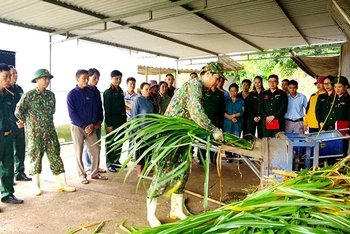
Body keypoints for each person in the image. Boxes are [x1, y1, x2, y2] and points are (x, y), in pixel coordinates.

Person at [146, 62, 225, 227]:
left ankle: (176, 209)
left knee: (182, 172)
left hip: (182, 137)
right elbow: (196, 112)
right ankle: (151, 214)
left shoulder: (201, 89)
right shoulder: (195, 85)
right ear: (209, 73)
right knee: (163, 173)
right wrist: (213, 129)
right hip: (170, 137)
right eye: (217, 79)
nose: (217, 83)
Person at [16, 68, 75, 196]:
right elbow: (18, 111)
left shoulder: (51, 95)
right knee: (35, 157)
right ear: (37, 80)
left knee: (55, 156)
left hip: (50, 131)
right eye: (44, 78)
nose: (47, 81)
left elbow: (51, 112)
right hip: (35, 133)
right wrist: (29, 122)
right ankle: (36, 186)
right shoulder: (29, 95)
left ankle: (62, 184)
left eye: (49, 78)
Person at [67, 69, 107, 184]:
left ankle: (94, 173)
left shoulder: (90, 93)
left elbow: (95, 109)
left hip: (91, 127)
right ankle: (82, 174)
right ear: (77, 79)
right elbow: (72, 113)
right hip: (78, 127)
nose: (86, 80)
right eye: (84, 78)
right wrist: (85, 126)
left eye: (86, 78)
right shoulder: (72, 94)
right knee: (78, 151)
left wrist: (93, 124)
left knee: (96, 150)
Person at [0, 63, 23, 207]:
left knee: (8, 167)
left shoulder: (10, 95)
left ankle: (7, 194)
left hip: (7, 135)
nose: (8, 79)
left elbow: (11, 114)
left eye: (10, 76)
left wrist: (17, 121)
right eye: (5, 76)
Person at [7, 66, 31, 181]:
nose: (15, 75)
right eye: (13, 73)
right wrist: (16, 121)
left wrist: (23, 120)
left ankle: (20, 172)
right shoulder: (4, 90)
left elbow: (24, 106)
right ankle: (8, 176)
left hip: (21, 125)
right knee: (9, 153)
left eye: (16, 73)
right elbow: (7, 110)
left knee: (21, 149)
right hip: (10, 125)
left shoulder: (19, 89)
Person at [82, 68, 106, 175]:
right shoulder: (85, 90)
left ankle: (95, 166)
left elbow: (99, 107)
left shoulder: (96, 91)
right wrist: (89, 124)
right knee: (88, 147)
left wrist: (100, 121)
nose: (96, 80)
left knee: (97, 146)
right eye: (94, 78)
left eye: (98, 78)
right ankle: (88, 166)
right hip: (88, 124)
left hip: (97, 123)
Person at [103, 70, 127, 173]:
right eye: (116, 78)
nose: (118, 80)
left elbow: (123, 107)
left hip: (121, 120)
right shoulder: (108, 92)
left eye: (120, 78)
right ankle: (109, 163)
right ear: (111, 78)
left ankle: (116, 160)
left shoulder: (120, 90)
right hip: (112, 120)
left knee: (119, 141)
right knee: (111, 142)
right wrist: (109, 124)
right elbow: (107, 110)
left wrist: (125, 122)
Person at [198, 78, 225, 164]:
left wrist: (220, 122)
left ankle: (213, 158)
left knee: (214, 140)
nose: (216, 82)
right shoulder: (204, 92)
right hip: (205, 120)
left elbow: (222, 109)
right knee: (202, 140)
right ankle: (201, 158)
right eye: (215, 80)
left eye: (218, 81)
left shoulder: (220, 94)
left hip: (215, 120)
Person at [131, 82, 154, 174]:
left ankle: (147, 166)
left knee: (148, 149)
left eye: (149, 89)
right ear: (141, 90)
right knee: (140, 149)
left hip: (150, 129)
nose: (148, 91)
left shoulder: (150, 101)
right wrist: (137, 129)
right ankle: (139, 168)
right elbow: (134, 115)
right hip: (140, 129)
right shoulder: (138, 99)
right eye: (146, 89)